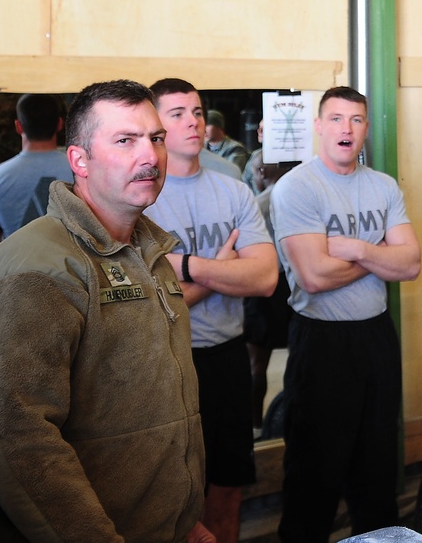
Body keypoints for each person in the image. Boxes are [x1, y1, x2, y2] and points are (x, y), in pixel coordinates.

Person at [0, 80, 213, 542]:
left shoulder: (146, 253)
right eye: (125, 140)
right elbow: (17, 439)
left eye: (155, 138)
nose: (150, 157)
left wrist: (183, 520)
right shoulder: (37, 270)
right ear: (79, 159)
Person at [271, 86, 421, 542]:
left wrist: (355, 248)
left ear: (365, 129)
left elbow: (411, 264)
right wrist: (380, 256)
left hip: (376, 337)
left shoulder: (383, 186)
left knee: (376, 465)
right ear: (318, 126)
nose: (346, 129)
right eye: (336, 119)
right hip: (321, 341)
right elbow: (314, 276)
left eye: (356, 120)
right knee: (314, 471)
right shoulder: (297, 186)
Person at [145, 78, 278, 543]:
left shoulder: (232, 189)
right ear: (155, 125)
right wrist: (221, 268)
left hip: (226, 357)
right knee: (172, 495)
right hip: (165, 360)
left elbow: (263, 278)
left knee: (227, 483)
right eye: (177, 113)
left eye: (197, 111)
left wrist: (186, 266)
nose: (193, 121)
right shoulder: (144, 198)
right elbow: (152, 308)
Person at [0, 93, 74, 253]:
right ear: (60, 124)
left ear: (18, 126)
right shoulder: (81, 171)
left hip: (17, 269)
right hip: (73, 270)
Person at [244, 157, 297, 437]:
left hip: (264, 290)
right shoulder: (299, 196)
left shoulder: (257, 204)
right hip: (294, 285)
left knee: (256, 365)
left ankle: (256, 425)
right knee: (298, 359)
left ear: (262, 171)